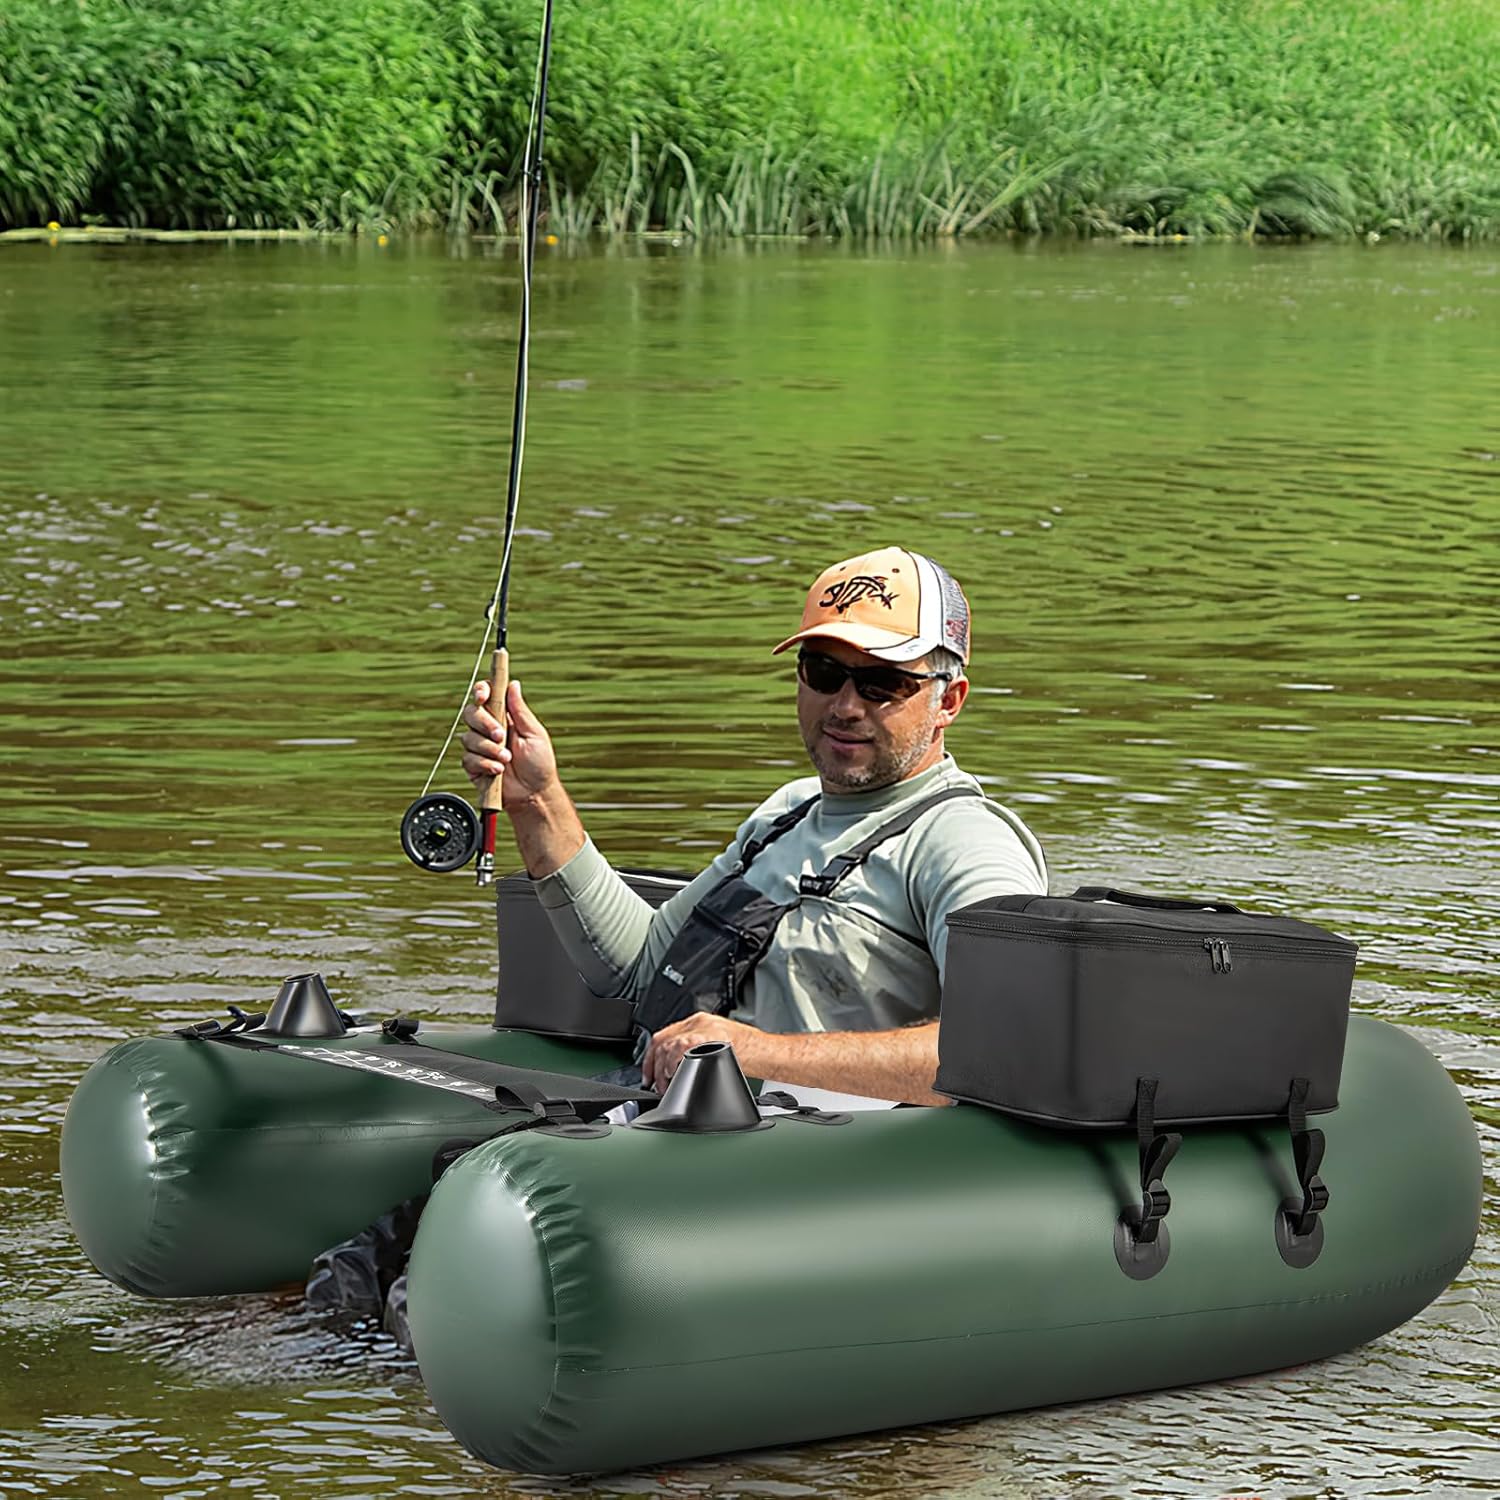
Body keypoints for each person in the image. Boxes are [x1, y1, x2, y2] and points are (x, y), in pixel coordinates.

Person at [461, 545, 1047, 1106]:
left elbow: (1007, 1047)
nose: (844, 705)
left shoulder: (965, 844)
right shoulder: (786, 812)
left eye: (883, 683)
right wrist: (537, 800)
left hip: (804, 1173)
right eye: (823, 672)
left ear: (950, 701)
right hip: (674, 1128)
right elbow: (638, 968)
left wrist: (756, 1054)